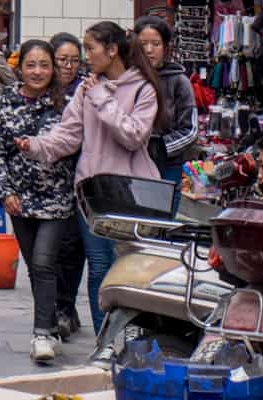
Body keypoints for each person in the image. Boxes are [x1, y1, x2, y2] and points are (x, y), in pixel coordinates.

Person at [17, 21, 163, 358]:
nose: (85, 57)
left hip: (131, 194)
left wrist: (102, 96)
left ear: (112, 51)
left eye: (91, 48)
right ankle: (106, 344)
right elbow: (68, 135)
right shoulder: (86, 90)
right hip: (91, 193)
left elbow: (133, 135)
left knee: (127, 269)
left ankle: (130, 339)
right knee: (98, 269)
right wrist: (36, 146)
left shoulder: (143, 90)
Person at [0, 40, 74, 364]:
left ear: (54, 69)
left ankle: (41, 335)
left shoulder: (68, 103)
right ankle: (48, 323)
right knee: (37, 269)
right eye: (31, 65)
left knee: (43, 262)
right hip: (19, 201)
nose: (38, 72)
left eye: (44, 65)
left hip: (57, 198)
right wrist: (5, 192)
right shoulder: (6, 103)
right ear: (19, 68)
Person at [48, 31, 86, 341]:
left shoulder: (87, 89)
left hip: (78, 179)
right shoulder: (41, 88)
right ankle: (54, 308)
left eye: (74, 60)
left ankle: (65, 306)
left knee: (73, 248)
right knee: (50, 251)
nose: (69, 66)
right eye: (63, 60)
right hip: (47, 180)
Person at [133, 16, 198, 183]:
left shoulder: (178, 82)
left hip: (168, 168)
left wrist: (160, 149)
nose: (149, 50)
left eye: (155, 44)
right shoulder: (127, 79)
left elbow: (190, 130)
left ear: (165, 47)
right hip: (130, 166)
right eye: (143, 44)